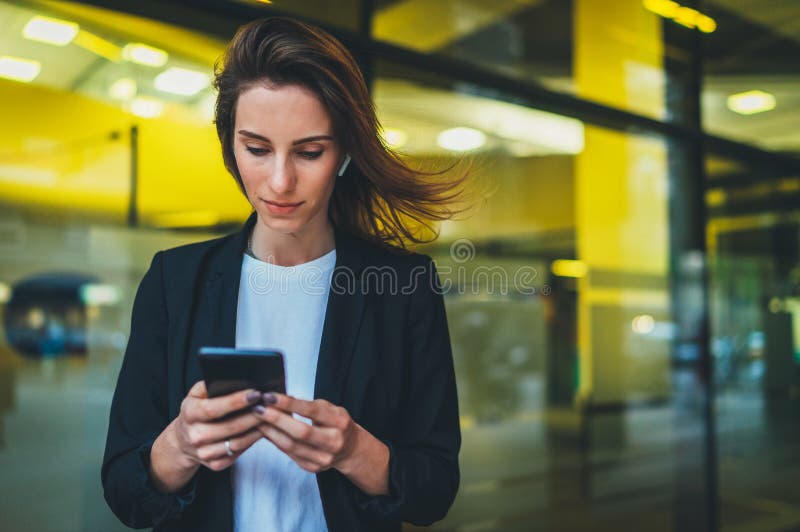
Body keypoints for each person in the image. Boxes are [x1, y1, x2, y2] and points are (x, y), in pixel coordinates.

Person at [102, 16, 467, 532]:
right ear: (229, 143)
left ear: (344, 153)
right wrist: (180, 445)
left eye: (310, 152)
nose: (280, 180)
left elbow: (434, 492)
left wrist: (355, 451)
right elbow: (123, 490)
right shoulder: (173, 281)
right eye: (256, 148)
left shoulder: (404, 287)